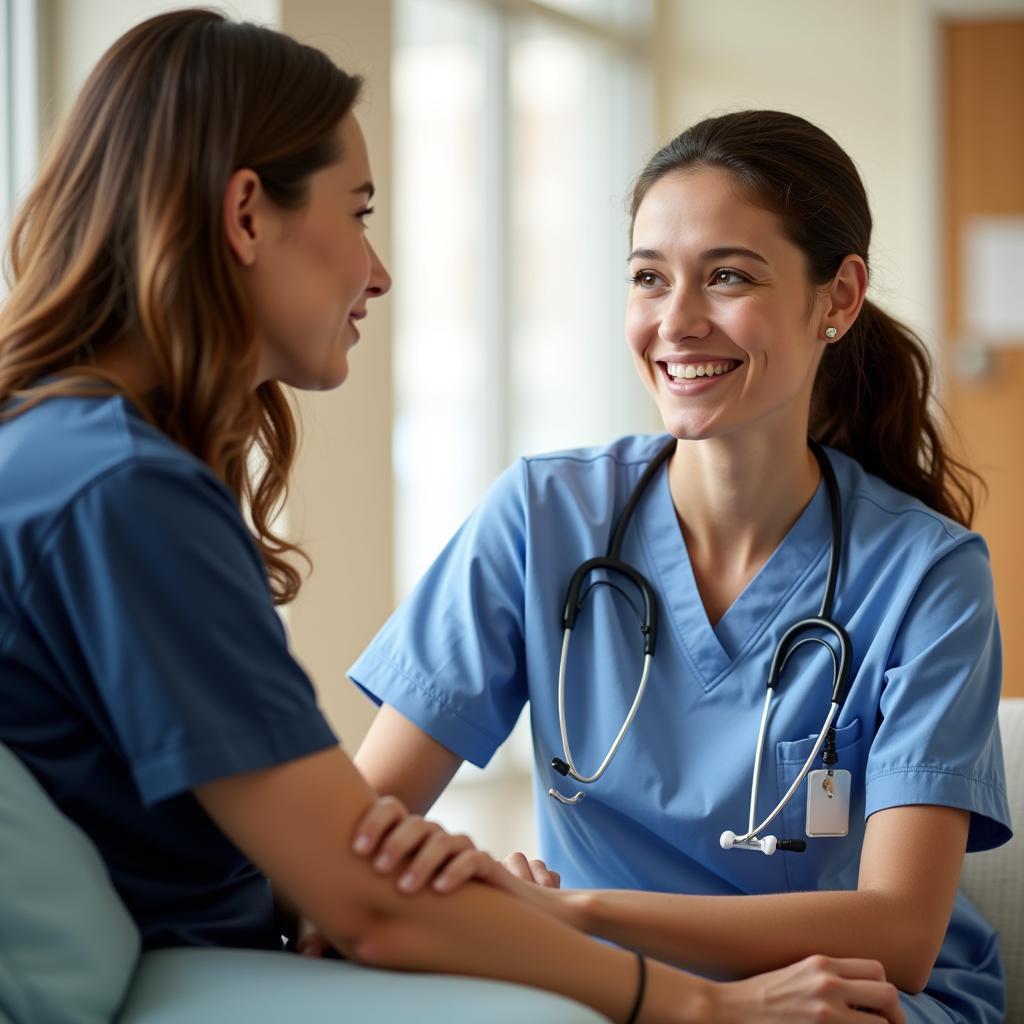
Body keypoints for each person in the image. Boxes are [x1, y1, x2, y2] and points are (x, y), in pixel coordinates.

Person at [0, 12, 907, 1023]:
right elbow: (363, 887)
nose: (378, 269)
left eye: (728, 274)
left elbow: (354, 852)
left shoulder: (68, 455)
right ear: (247, 214)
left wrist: (493, 895)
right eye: (358, 212)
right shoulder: (119, 489)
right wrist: (700, 1004)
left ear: (837, 299)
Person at [348, 111, 1013, 1022]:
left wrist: (569, 911)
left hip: (851, 995)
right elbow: (363, 822)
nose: (677, 321)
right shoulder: (546, 517)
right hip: (624, 992)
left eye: (729, 276)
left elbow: (899, 933)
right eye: (649, 278)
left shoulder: (927, 575)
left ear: (839, 298)